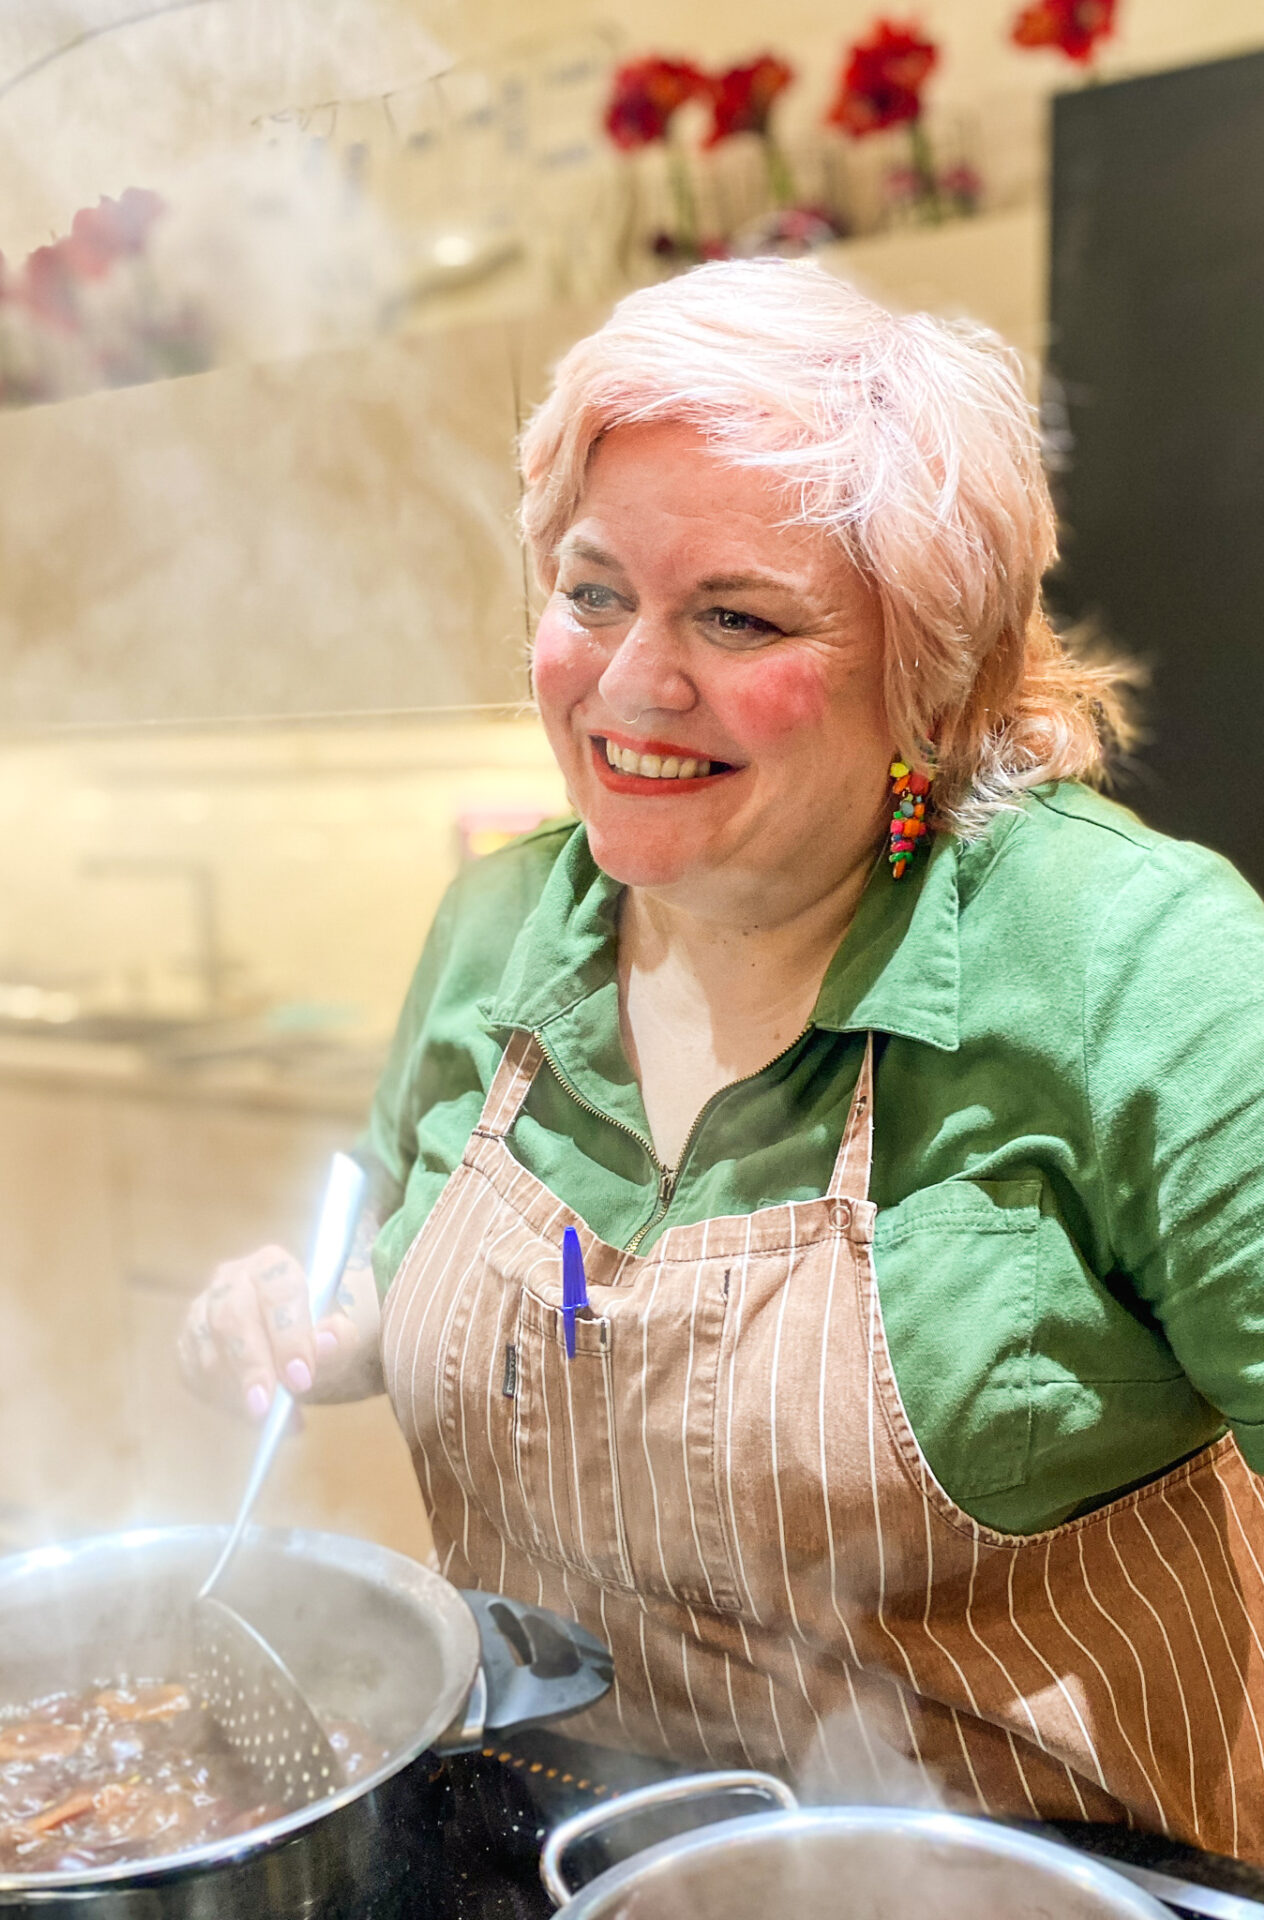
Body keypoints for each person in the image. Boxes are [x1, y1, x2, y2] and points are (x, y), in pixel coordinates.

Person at [182, 259, 1264, 1858]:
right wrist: (341, 1326)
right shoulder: (496, 933)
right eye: (593, 589)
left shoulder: (1144, 968)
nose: (627, 685)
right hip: (562, 1847)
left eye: (738, 616)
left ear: (935, 676)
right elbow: (469, 1266)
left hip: (1049, 1883)